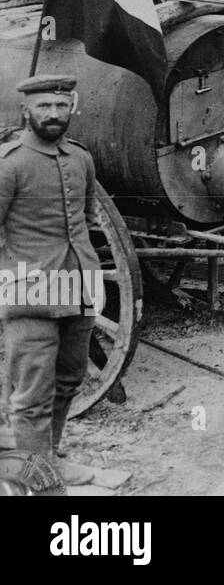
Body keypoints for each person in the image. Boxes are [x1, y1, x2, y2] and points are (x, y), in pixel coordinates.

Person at [0, 76, 101, 484]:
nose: (53, 114)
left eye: (61, 106)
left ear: (71, 107)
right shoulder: (11, 164)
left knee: (69, 378)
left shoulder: (80, 158)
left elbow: (88, 219)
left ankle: (52, 460)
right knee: (31, 397)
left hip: (78, 287)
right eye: (44, 106)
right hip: (31, 292)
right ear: (26, 110)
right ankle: (35, 479)